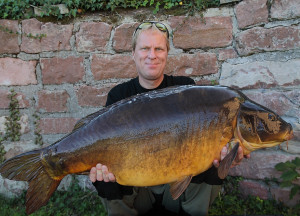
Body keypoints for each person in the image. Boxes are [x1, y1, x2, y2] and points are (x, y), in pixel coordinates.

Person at [89, 21, 249, 216]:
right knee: (103, 178)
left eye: (159, 48)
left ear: (166, 53)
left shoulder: (185, 89)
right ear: (133, 53)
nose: (152, 55)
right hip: (138, 188)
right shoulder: (119, 96)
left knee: (209, 161)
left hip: (176, 188)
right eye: (145, 48)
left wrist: (228, 154)